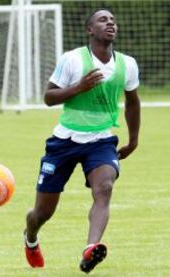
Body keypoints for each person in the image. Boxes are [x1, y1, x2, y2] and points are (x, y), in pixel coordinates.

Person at [24, 8, 140, 273]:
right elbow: (48, 97)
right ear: (90, 30)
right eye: (103, 19)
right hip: (64, 141)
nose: (110, 22)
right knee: (42, 213)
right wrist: (78, 87)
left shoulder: (128, 64)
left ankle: (90, 249)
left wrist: (133, 141)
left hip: (101, 141)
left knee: (105, 188)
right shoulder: (72, 60)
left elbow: (133, 103)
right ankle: (30, 238)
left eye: (112, 19)